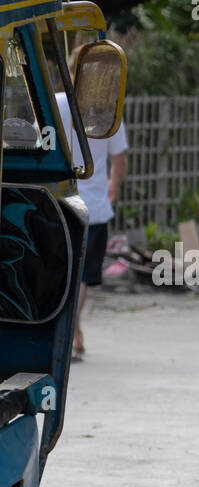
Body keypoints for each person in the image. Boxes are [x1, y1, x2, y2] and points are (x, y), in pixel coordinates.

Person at [55, 49, 128, 362]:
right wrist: (110, 191)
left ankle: (63, 330)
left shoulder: (54, 104)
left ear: (71, 71)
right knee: (82, 275)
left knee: (61, 271)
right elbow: (120, 162)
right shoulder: (110, 111)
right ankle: (73, 330)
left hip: (57, 203)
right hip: (93, 208)